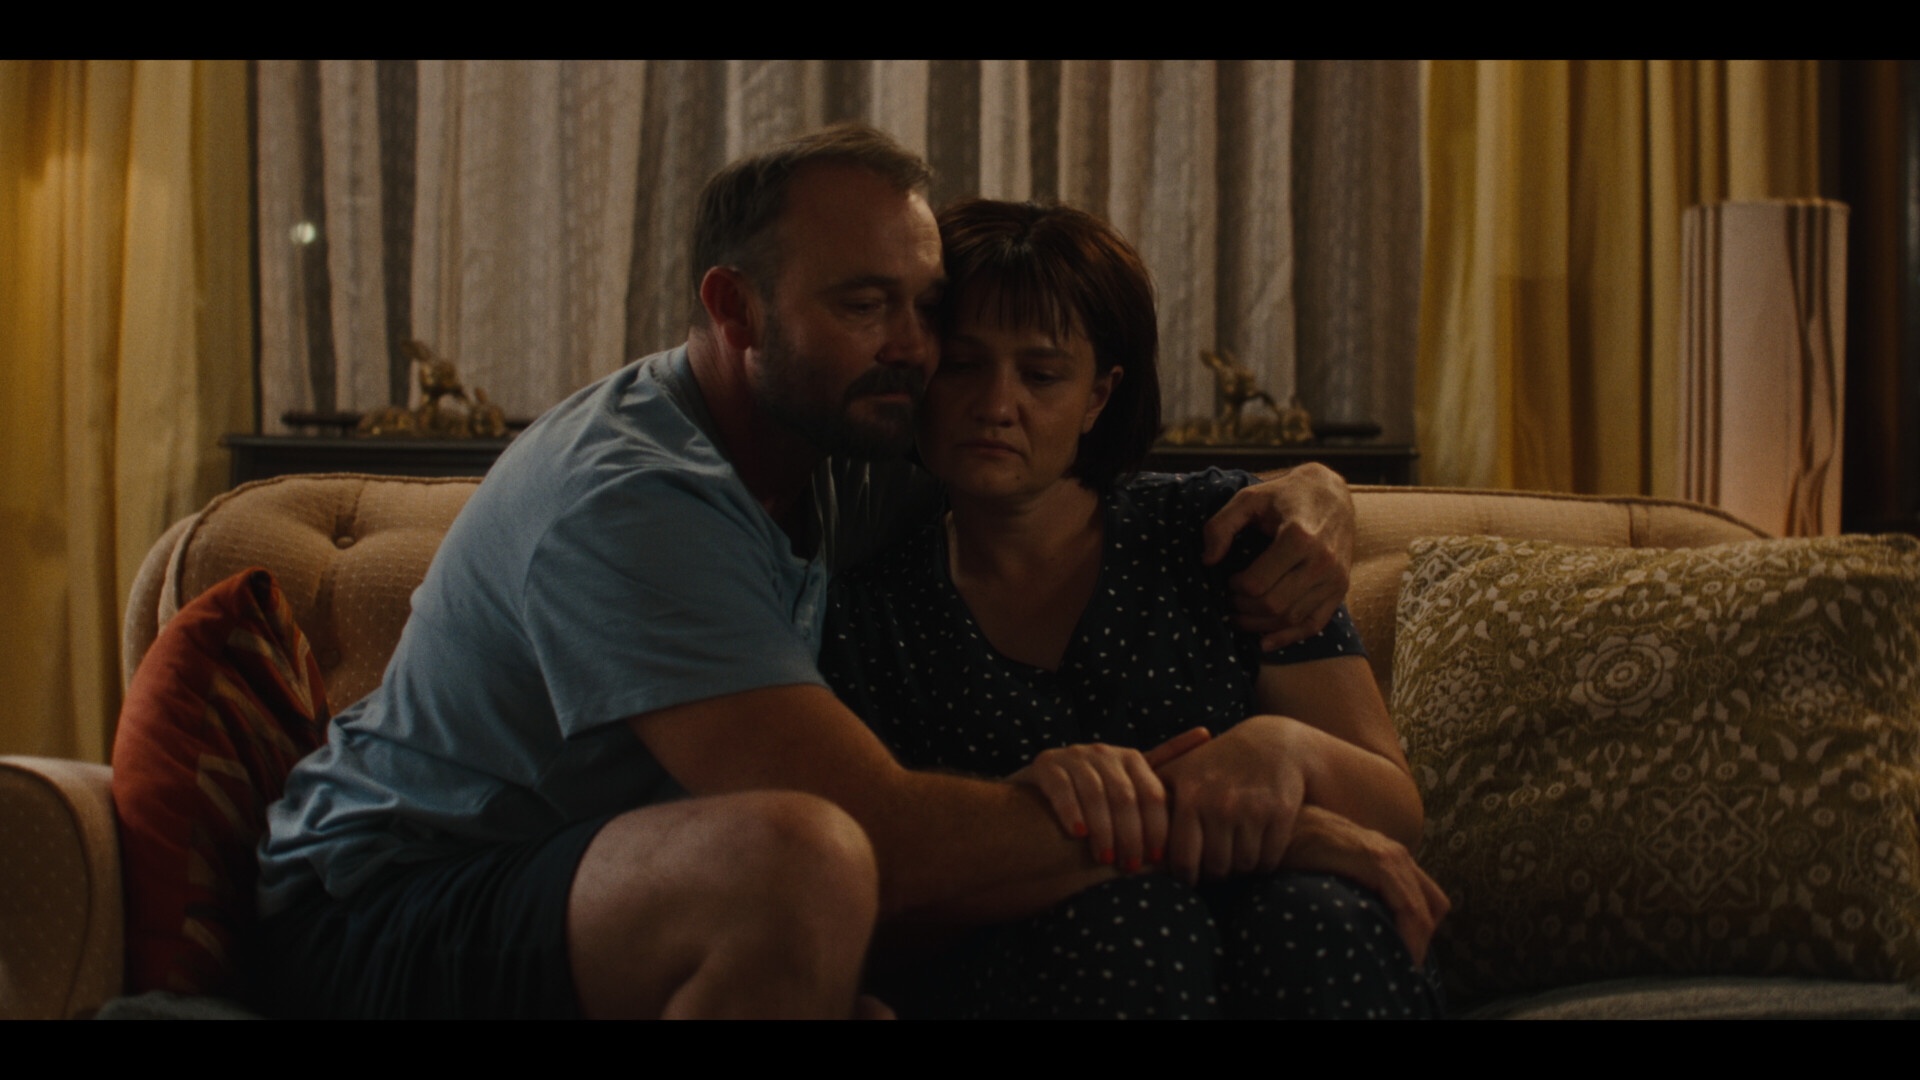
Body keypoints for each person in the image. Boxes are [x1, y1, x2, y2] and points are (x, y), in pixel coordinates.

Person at [254, 124, 1362, 1019]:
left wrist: (1312, 491)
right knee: (802, 859)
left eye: (925, 305)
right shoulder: (630, 497)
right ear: (734, 309)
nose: (914, 348)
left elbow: (1055, 461)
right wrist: (1217, 818)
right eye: (863, 304)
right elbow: (880, 835)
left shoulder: (844, 439)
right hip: (386, 898)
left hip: (608, 880)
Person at [821, 198, 1448, 1018]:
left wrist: (1286, 748)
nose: (996, 404)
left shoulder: (1222, 536)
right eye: (964, 365)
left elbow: (1396, 814)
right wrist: (1046, 823)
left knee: (1319, 921)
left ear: (1098, 396)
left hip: (1280, 942)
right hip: (1049, 967)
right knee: (1127, 925)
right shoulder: (870, 609)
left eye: (1042, 375)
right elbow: (880, 907)